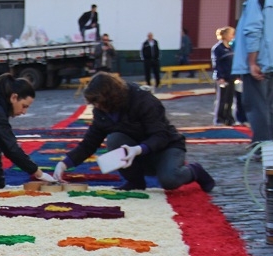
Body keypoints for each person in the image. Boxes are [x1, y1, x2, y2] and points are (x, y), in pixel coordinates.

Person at [52, 72, 216, 193]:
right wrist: (64, 163)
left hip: (166, 147)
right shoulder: (102, 112)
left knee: (169, 180)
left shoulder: (143, 101)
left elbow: (161, 135)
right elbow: (89, 143)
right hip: (138, 155)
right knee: (115, 139)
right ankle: (135, 181)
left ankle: (194, 170)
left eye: (99, 102)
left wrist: (137, 149)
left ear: (111, 97)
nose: (97, 107)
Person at [231, 0, 273, 148]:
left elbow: (253, 29)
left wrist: (252, 61)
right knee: (269, 105)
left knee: (256, 105)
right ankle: (269, 144)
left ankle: (261, 147)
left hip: (259, 60)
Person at [212, 26, 237, 126]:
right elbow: (216, 63)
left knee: (230, 99)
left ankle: (229, 118)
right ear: (225, 35)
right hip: (222, 77)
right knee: (222, 99)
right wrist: (220, 77)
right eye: (231, 34)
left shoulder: (230, 47)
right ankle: (219, 119)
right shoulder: (218, 48)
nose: (233, 36)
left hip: (231, 77)